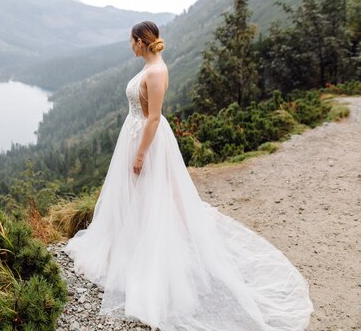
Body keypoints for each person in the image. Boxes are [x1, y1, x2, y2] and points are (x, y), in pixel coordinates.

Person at [64, 21, 314, 331]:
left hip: (147, 140)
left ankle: (151, 260)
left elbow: (153, 118)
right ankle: (127, 248)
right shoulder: (149, 67)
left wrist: (141, 153)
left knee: (151, 196)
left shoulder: (156, 72)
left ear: (141, 42)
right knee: (137, 196)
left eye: (131, 41)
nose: (130, 46)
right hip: (134, 135)